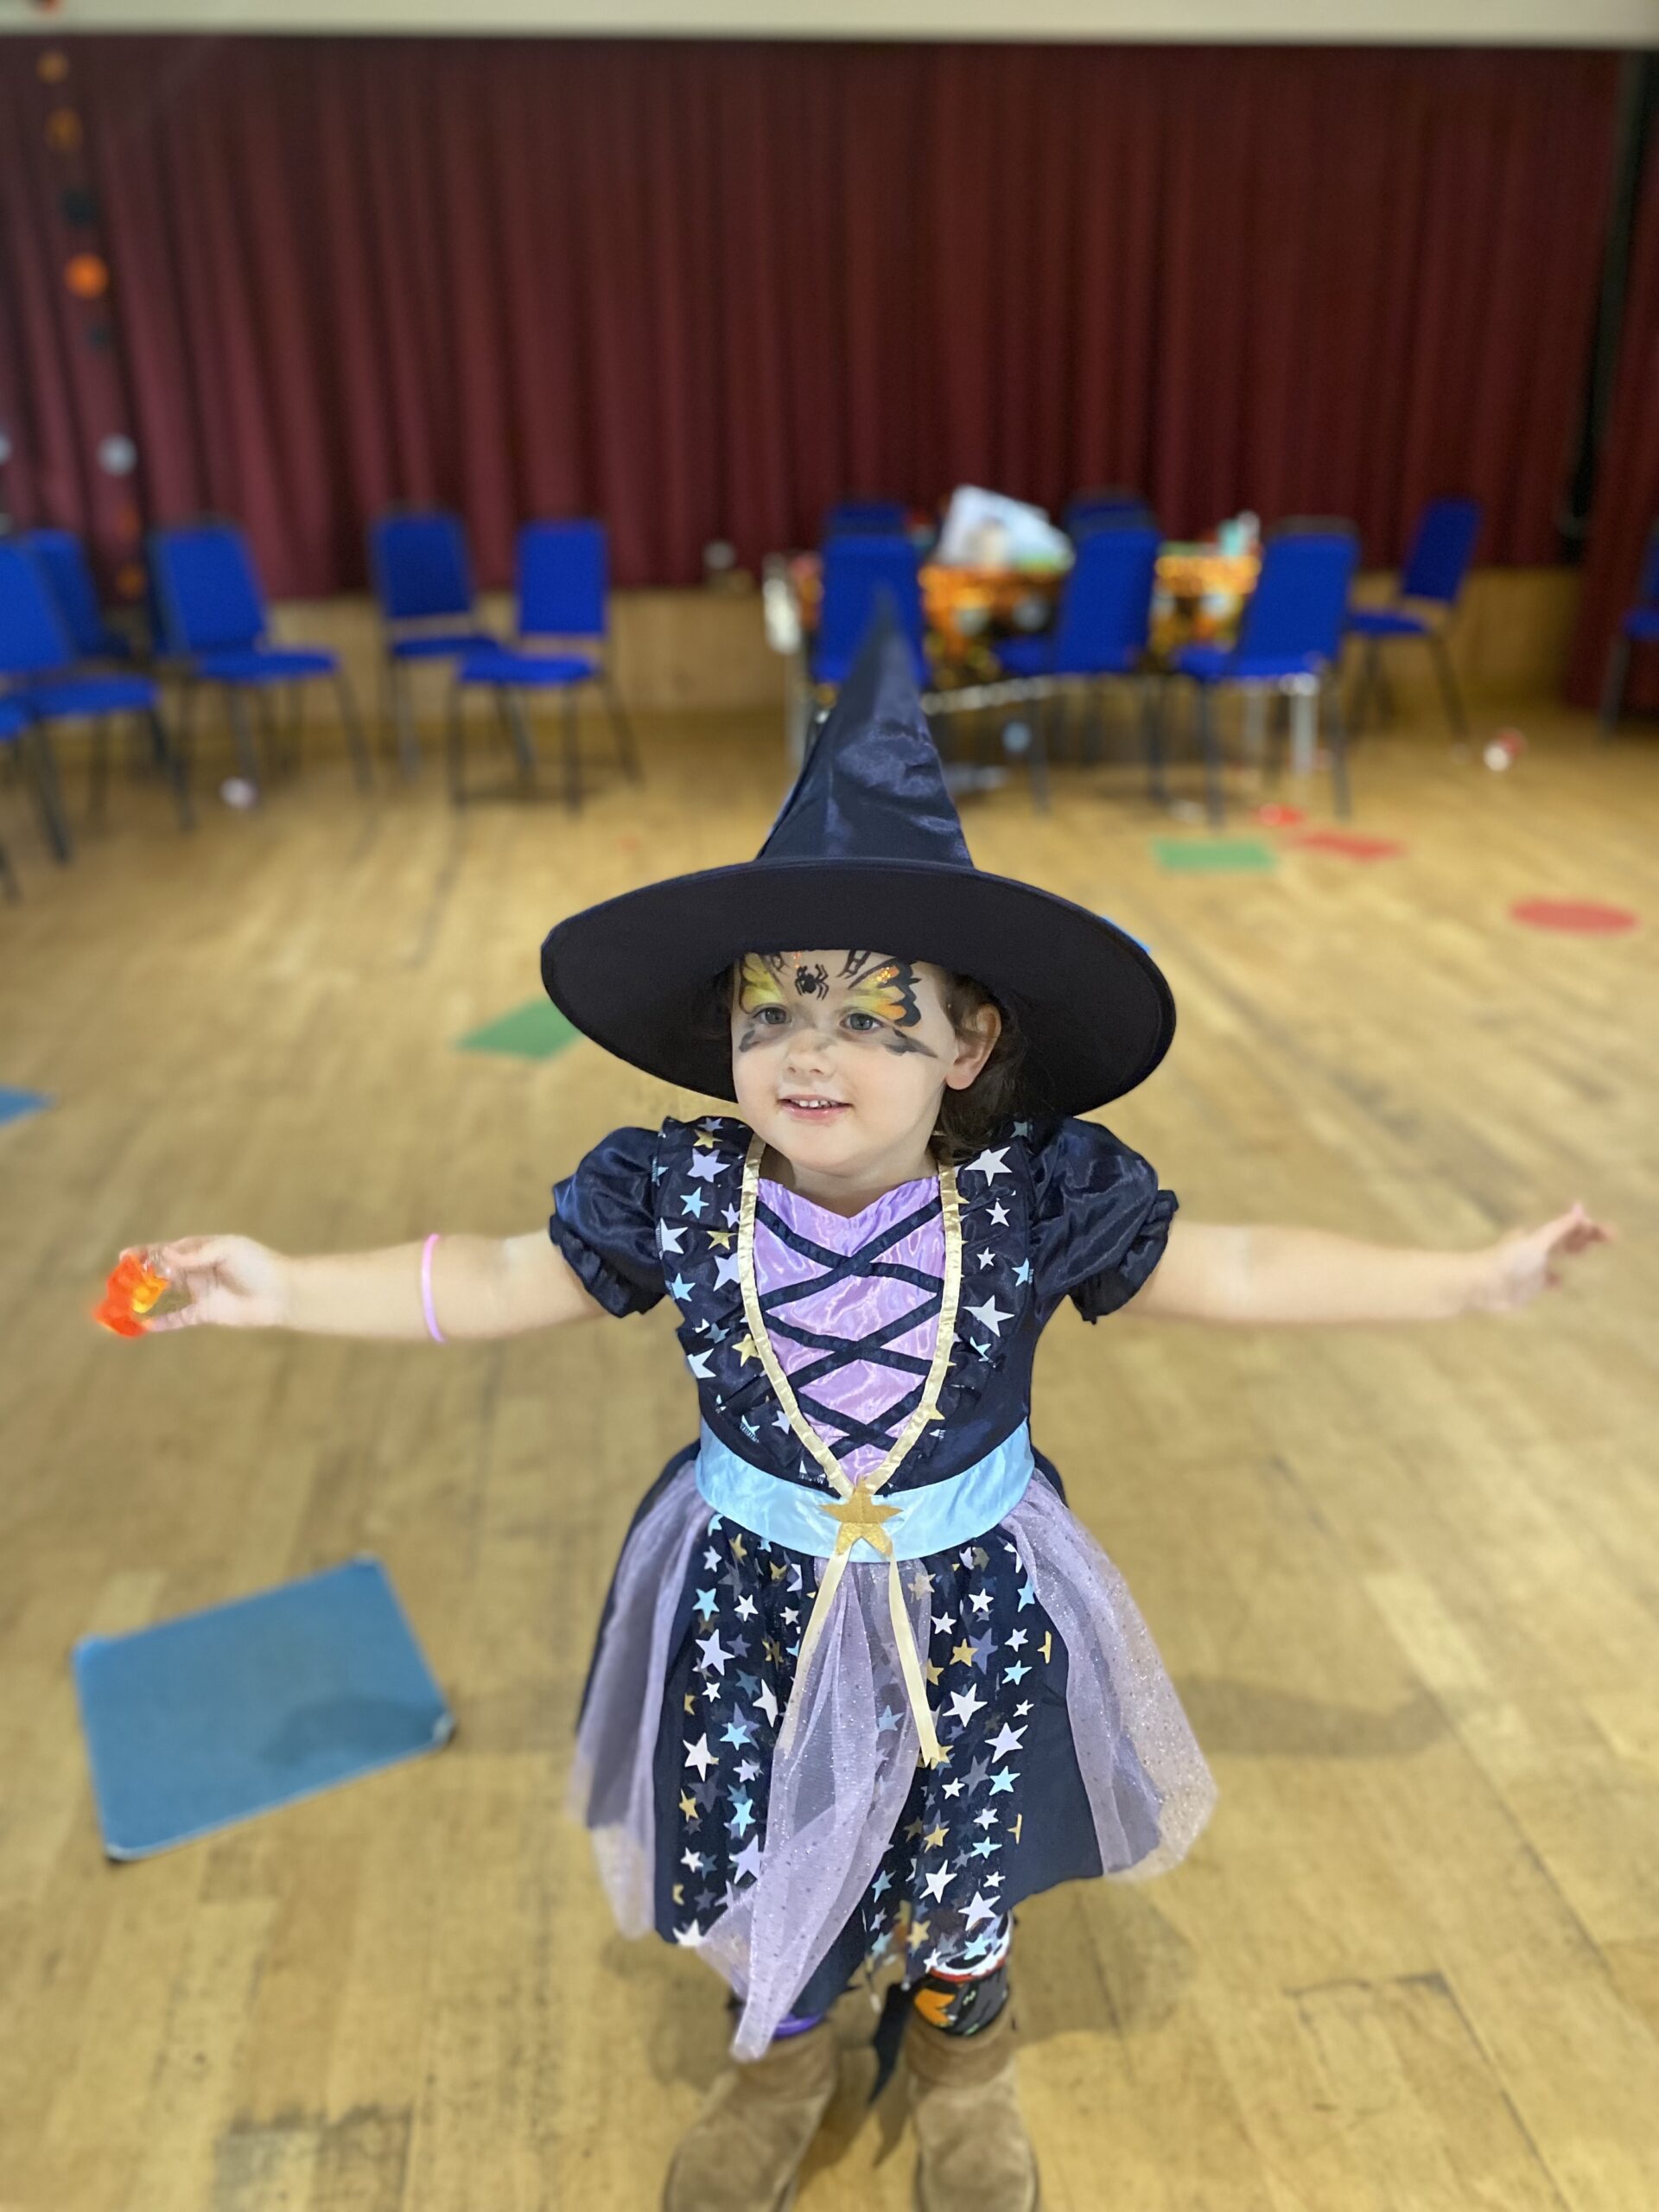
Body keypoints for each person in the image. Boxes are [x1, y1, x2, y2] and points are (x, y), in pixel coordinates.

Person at [133, 615, 1611, 2212]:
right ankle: (779, 2061)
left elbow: (1240, 1265)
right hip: (748, 1608)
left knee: (962, 1850)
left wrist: (1468, 1282)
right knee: (757, 1838)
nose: (807, 1052)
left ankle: (966, 2065)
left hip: (968, 1605)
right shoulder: (678, 1189)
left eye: (867, 1014)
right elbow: (493, 1277)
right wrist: (280, 1284)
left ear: (970, 1042)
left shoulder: (1037, 1195)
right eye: (771, 1011)